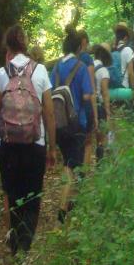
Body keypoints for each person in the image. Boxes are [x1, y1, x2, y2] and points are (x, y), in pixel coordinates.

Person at [0, 25, 57, 255]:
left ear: (7, 45)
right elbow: (49, 111)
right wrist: (51, 147)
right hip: (34, 145)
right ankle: (25, 248)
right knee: (33, 196)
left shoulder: (2, 73)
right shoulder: (40, 71)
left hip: (8, 146)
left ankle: (15, 242)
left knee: (14, 194)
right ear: (26, 44)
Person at [52, 27, 94, 220]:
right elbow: (87, 94)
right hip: (78, 123)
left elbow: (50, 92)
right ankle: (63, 209)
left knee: (68, 164)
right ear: (79, 47)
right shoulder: (82, 67)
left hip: (59, 124)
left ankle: (70, 207)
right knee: (73, 168)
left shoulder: (56, 67)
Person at [77, 30, 99, 166]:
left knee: (76, 141)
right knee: (88, 141)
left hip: (70, 107)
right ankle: (83, 175)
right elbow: (91, 86)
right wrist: (95, 114)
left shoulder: (65, 60)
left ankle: (74, 173)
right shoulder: (86, 59)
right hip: (85, 105)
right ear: (84, 40)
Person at [91, 44, 112, 160]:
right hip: (99, 105)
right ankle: (101, 162)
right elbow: (105, 93)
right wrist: (108, 111)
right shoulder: (103, 71)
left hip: (88, 104)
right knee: (102, 134)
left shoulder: (88, 66)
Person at [109, 22, 134, 103]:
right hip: (124, 88)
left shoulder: (111, 51)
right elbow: (130, 73)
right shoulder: (128, 50)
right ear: (125, 38)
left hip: (112, 89)